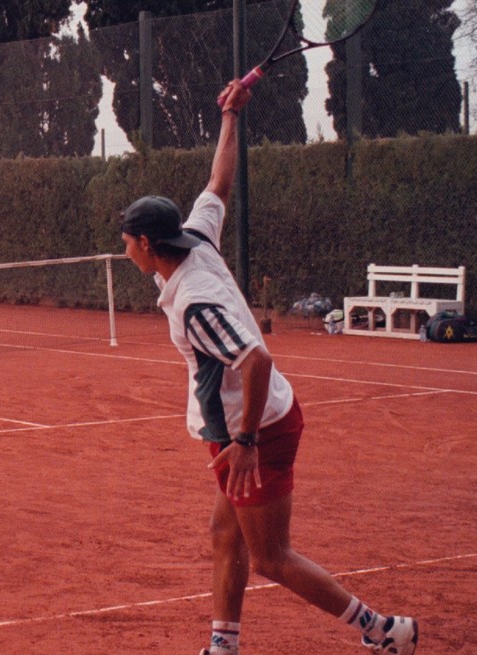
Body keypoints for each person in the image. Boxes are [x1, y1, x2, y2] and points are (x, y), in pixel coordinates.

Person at [118, 80, 417, 655]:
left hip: (259, 430)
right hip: (238, 429)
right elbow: (219, 184)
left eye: (129, 241)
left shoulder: (195, 302)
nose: (125, 248)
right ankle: (223, 646)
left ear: (150, 246)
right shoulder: (196, 239)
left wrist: (249, 439)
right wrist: (230, 114)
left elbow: (256, 359)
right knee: (223, 533)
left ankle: (384, 631)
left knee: (271, 557)